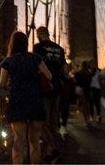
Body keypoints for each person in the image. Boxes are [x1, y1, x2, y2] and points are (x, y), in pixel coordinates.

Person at [0, 31, 52, 164]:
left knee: (18, 142)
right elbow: (49, 76)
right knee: (34, 141)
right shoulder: (36, 58)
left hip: (17, 102)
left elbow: (1, 83)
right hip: (35, 101)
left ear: (12, 44)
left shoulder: (8, 61)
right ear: (26, 44)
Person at [32, 26, 66, 159]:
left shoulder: (38, 48)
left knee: (43, 122)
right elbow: (65, 72)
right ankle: (49, 151)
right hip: (57, 87)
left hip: (44, 87)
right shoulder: (59, 49)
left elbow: (37, 67)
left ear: (39, 34)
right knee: (53, 121)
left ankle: (53, 147)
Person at [73, 61, 93, 128]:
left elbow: (75, 81)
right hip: (87, 90)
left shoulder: (78, 73)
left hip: (80, 89)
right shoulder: (89, 73)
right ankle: (89, 119)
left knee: (84, 105)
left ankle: (86, 120)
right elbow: (90, 82)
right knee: (87, 105)